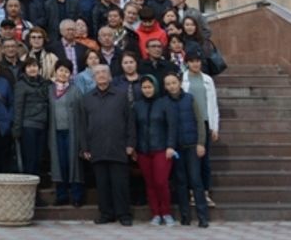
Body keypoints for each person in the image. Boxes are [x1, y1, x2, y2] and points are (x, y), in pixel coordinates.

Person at [78, 64, 136, 226]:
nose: (101, 75)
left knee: (120, 184)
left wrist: (131, 143)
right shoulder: (87, 98)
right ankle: (106, 213)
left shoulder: (121, 95)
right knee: (102, 185)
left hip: (118, 146)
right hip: (97, 147)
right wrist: (84, 148)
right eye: (97, 73)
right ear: (93, 77)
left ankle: (123, 214)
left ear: (110, 76)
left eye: (104, 72)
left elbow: (130, 121)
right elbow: (82, 125)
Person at [164, 72, 209, 227]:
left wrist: (201, 143)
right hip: (176, 148)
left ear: (179, 83)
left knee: (196, 180)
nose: (171, 86)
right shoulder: (165, 102)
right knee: (181, 182)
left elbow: (199, 120)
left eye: (174, 83)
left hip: (192, 145)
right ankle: (185, 216)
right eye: (168, 84)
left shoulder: (190, 99)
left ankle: (203, 216)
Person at [133, 74, 177, 225]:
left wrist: (171, 146)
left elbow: (172, 126)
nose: (147, 90)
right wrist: (134, 147)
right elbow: (134, 128)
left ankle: (166, 212)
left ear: (155, 87)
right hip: (143, 150)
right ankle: (156, 213)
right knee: (150, 183)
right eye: (144, 87)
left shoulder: (164, 103)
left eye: (149, 87)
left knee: (161, 181)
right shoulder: (137, 105)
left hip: (161, 149)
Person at [182, 51, 220, 208]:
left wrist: (215, 127)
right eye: (192, 61)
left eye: (198, 61)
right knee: (191, 160)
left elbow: (213, 103)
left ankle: (205, 192)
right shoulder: (182, 79)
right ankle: (192, 193)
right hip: (189, 124)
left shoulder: (207, 80)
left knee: (205, 161)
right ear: (187, 63)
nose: (195, 64)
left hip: (204, 123)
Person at [12, 57, 50, 203]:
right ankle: (30, 196)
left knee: (39, 160)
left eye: (34, 66)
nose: (32, 69)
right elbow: (18, 107)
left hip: (42, 125)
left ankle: (36, 193)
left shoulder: (44, 83)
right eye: (29, 67)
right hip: (28, 126)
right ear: (24, 69)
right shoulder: (21, 85)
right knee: (30, 162)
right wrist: (16, 129)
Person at [47, 58, 84, 207]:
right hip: (55, 133)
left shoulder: (76, 90)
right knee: (59, 163)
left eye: (66, 71)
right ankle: (61, 195)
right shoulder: (49, 90)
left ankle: (77, 196)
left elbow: (82, 113)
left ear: (71, 74)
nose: (63, 73)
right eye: (61, 70)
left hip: (72, 133)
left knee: (74, 163)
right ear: (56, 72)